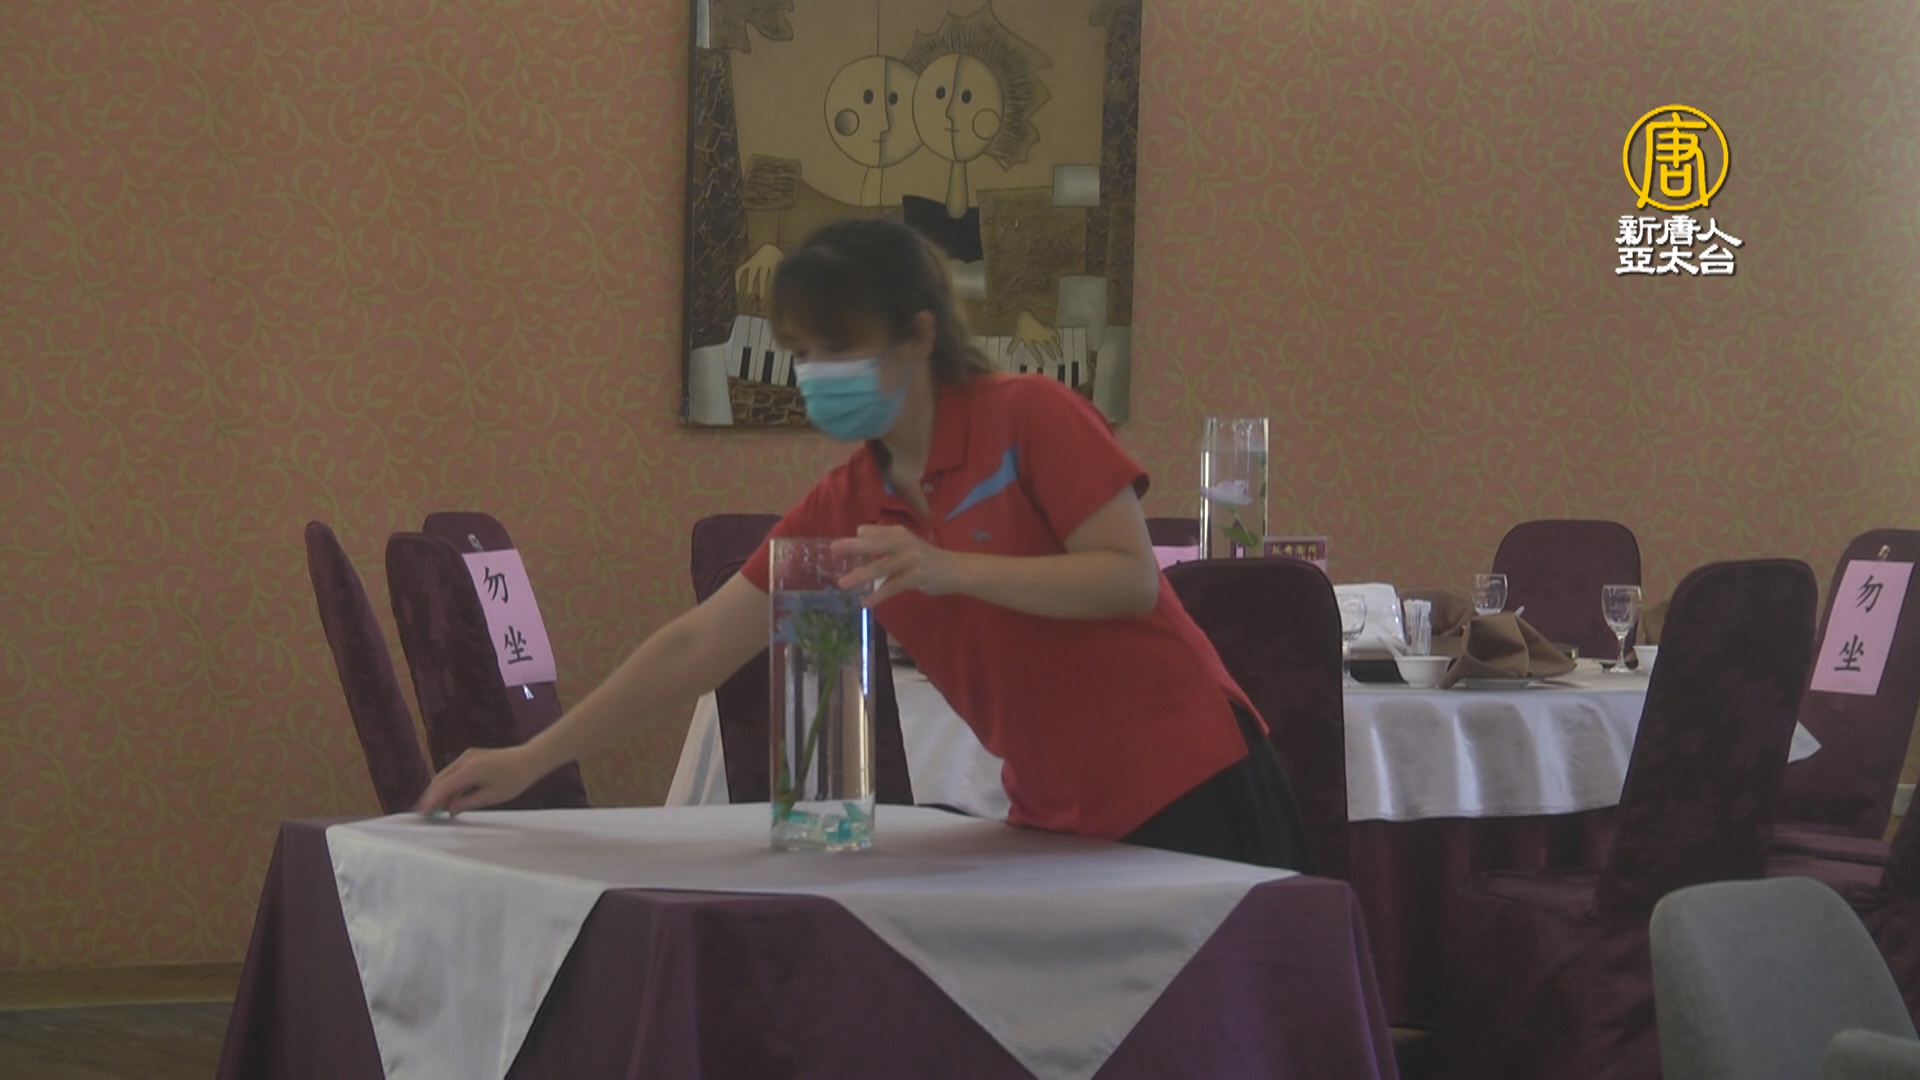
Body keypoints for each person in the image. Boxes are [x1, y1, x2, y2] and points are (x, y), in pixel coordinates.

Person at [416, 217, 1314, 872]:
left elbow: (1127, 580)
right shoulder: (845, 501)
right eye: (804, 352)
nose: (818, 373)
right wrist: (531, 759)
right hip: (1055, 815)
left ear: (919, 335)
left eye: (839, 347)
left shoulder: (1031, 416)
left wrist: (951, 569)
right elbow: (697, 645)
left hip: (1192, 782)